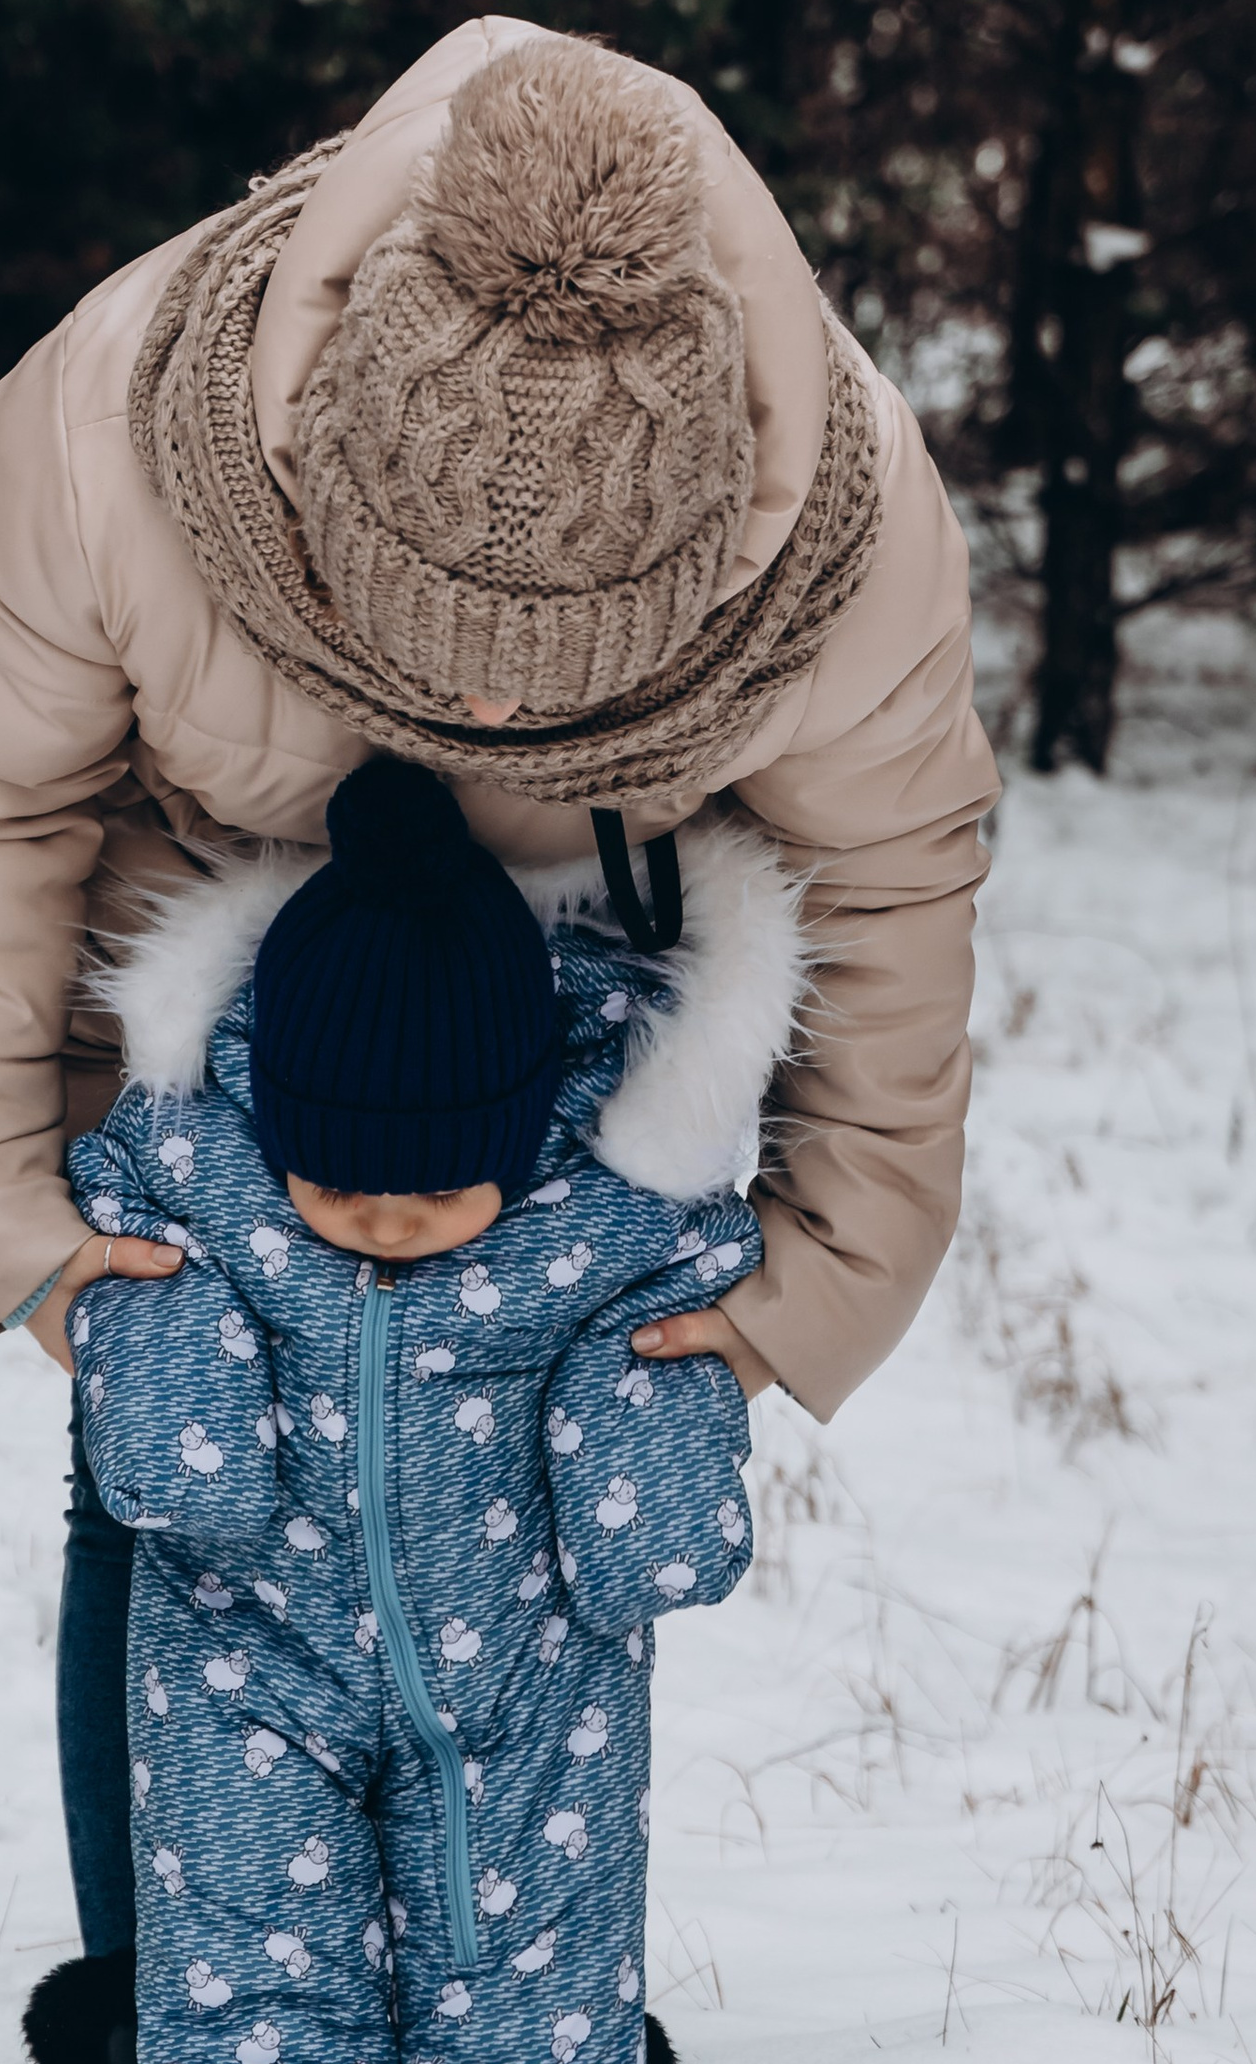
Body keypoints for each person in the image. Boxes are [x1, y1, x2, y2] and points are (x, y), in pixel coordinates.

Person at [0, 26, 999, 2059]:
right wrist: (8, 1227)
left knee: (521, 1507)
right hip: (220, 1009)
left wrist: (803, 1290)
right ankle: (181, 1988)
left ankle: (505, 1975)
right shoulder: (114, 419)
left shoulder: (849, 517)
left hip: (567, 1037)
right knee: (168, 1476)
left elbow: (893, 889)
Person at [66, 755, 793, 2064]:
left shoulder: (610, 1199)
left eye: (438, 1192)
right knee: (246, 1979)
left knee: (536, 1989)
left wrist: (650, 1436)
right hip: (245, 1666)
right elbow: (115, 1232)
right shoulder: (196, 1157)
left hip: (530, 1682)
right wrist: (173, 1367)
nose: (388, 1224)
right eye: (339, 1187)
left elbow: (696, 1293)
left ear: (516, 1135)